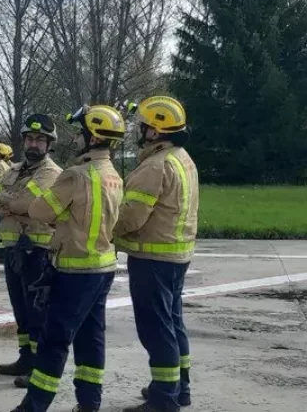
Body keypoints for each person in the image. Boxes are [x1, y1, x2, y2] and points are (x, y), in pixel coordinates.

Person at [7, 104, 126, 412]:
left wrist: (58, 214)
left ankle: (33, 406)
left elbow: (38, 210)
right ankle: (89, 404)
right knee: (91, 338)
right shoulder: (113, 175)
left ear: (93, 137)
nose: (76, 138)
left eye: (80, 133)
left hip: (75, 270)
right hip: (103, 267)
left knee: (53, 342)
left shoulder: (75, 175)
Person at [113, 96, 199, 412]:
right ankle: (179, 388)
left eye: (143, 125)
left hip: (152, 259)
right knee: (173, 323)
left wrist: (103, 230)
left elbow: (131, 217)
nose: (139, 129)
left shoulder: (155, 165)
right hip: (177, 256)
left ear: (155, 131)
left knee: (156, 329)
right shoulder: (182, 158)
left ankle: (164, 398)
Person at [0, 114, 62, 379]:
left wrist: (8, 200)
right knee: (20, 310)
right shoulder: (14, 170)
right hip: (13, 250)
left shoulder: (51, 173)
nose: (33, 144)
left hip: (38, 252)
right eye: (29, 139)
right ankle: (25, 359)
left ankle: (39, 367)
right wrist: (13, 202)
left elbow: (28, 204)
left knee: (37, 312)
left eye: (39, 140)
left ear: (49, 144)